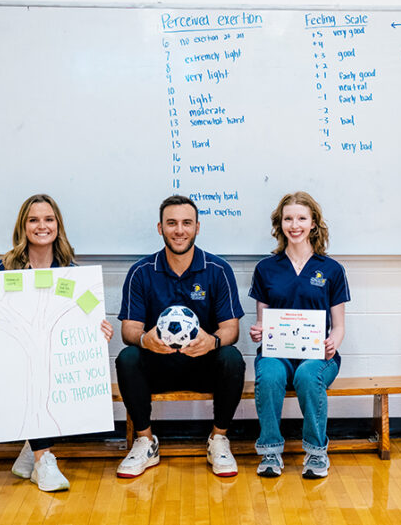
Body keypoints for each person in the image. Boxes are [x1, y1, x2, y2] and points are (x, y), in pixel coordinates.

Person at [0, 193, 114, 491]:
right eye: (33, 220)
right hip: (17, 362)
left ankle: (31, 453)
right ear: (23, 226)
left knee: (52, 378)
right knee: (29, 373)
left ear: (58, 225)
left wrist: (99, 333)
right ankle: (44, 459)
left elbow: (83, 320)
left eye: (48, 219)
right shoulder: (4, 270)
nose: (41, 226)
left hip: (55, 362)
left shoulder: (71, 272)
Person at [114, 195, 245, 478]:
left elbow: (231, 329)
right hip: (158, 366)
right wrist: (144, 339)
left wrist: (213, 341)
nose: (179, 230)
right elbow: (129, 330)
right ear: (160, 228)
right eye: (171, 223)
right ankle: (145, 442)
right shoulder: (141, 272)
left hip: (202, 365)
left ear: (198, 227)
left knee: (232, 357)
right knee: (127, 357)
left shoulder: (218, 270)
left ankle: (218, 439)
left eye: (186, 223)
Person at [248, 191, 349, 479]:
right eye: (288, 218)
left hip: (318, 356)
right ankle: (270, 451)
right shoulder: (265, 268)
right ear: (280, 224)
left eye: (302, 218)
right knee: (268, 374)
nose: (295, 225)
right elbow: (262, 321)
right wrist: (259, 331)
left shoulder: (331, 269)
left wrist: (333, 343)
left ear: (314, 223)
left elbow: (339, 326)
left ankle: (317, 454)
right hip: (277, 353)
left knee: (307, 376)